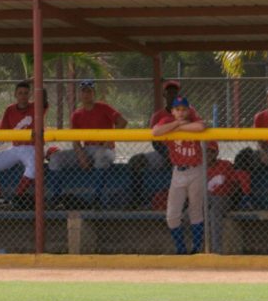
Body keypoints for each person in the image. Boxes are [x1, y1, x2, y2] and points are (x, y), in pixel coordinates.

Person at [152, 96, 208, 254]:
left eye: (184, 109)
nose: (181, 112)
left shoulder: (194, 118)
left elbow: (201, 127)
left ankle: (196, 249)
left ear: (188, 110)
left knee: (195, 211)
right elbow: (156, 131)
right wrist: (177, 124)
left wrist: (180, 128)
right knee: (172, 215)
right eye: (177, 109)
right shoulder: (168, 120)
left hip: (195, 169)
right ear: (172, 111)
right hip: (178, 171)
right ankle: (181, 249)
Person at [0, 81, 48, 204]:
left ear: (30, 95)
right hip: (16, 148)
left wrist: (37, 81)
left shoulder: (36, 107)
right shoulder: (10, 110)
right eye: (20, 93)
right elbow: (3, 133)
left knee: (34, 166)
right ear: (15, 94)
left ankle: (18, 197)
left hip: (33, 147)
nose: (23, 96)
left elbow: (44, 98)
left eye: (26, 93)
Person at [48, 79, 128, 171]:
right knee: (56, 158)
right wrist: (80, 155)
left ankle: (98, 184)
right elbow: (75, 140)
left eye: (89, 91)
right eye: (83, 91)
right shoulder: (76, 115)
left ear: (94, 93)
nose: (86, 94)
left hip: (106, 149)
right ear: (80, 94)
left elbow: (122, 122)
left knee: (100, 157)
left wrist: (108, 142)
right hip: (87, 149)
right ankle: (60, 185)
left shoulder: (103, 107)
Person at [129, 80, 180, 208]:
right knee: (136, 161)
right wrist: (166, 154)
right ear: (164, 95)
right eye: (169, 92)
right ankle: (137, 200)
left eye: (175, 93)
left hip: (180, 153)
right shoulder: (158, 115)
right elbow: (155, 141)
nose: (172, 95)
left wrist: (174, 155)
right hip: (163, 153)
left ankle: (182, 201)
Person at [205, 141, 249, 254]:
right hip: (205, 199)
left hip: (223, 198)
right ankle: (195, 248)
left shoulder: (225, 165)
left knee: (214, 213)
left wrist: (241, 195)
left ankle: (216, 250)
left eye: (211, 152)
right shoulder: (198, 168)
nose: (209, 154)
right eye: (206, 151)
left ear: (216, 153)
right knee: (189, 214)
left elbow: (239, 180)